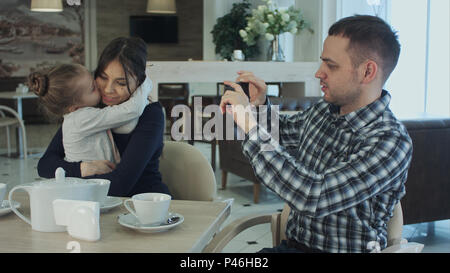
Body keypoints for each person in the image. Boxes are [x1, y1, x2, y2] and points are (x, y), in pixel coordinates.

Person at [220, 15, 412, 253]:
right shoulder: (325, 110)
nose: (319, 73)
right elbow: (284, 134)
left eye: (331, 65)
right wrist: (259, 108)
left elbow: (314, 197)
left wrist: (248, 123)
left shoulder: (390, 141)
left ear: (367, 72)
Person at [37, 37, 170, 197]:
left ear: (139, 83)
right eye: (103, 77)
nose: (108, 89)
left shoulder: (150, 114)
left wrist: (75, 179)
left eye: (121, 83)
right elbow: (45, 165)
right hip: (99, 204)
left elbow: (119, 186)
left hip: (145, 205)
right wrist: (82, 168)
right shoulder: (87, 110)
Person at [29, 63, 152, 165]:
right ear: (74, 107)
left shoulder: (74, 118)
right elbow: (131, 110)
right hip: (88, 184)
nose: (99, 85)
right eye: (92, 88)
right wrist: (144, 82)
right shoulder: (82, 118)